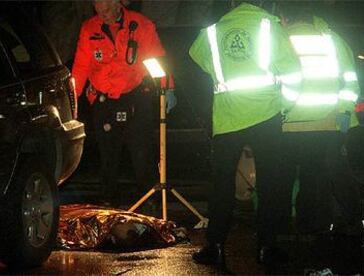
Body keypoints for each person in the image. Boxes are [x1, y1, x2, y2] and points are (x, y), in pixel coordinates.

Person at [189, 0, 301, 269]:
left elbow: (196, 56)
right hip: (266, 115)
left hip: (227, 120)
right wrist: (283, 106)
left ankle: (215, 246)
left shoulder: (213, 31)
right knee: (269, 184)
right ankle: (266, 247)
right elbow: (294, 73)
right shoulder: (269, 26)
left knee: (222, 185)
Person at [72, 0, 176, 207]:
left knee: (141, 152)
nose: (103, 15)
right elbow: (81, 67)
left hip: (135, 97)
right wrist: (71, 99)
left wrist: (168, 88)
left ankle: (149, 201)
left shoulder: (140, 25)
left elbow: (156, 57)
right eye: (99, 11)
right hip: (104, 99)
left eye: (107, 9)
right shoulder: (89, 28)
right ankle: (107, 202)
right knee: (108, 155)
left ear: (119, 4)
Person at [277, 3, 361, 235]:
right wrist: (344, 116)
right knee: (318, 177)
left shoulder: (279, 39)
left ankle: (282, 230)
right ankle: (322, 226)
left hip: (288, 124)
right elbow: (350, 82)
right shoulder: (332, 40)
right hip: (328, 123)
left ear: (284, 17)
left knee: (283, 179)